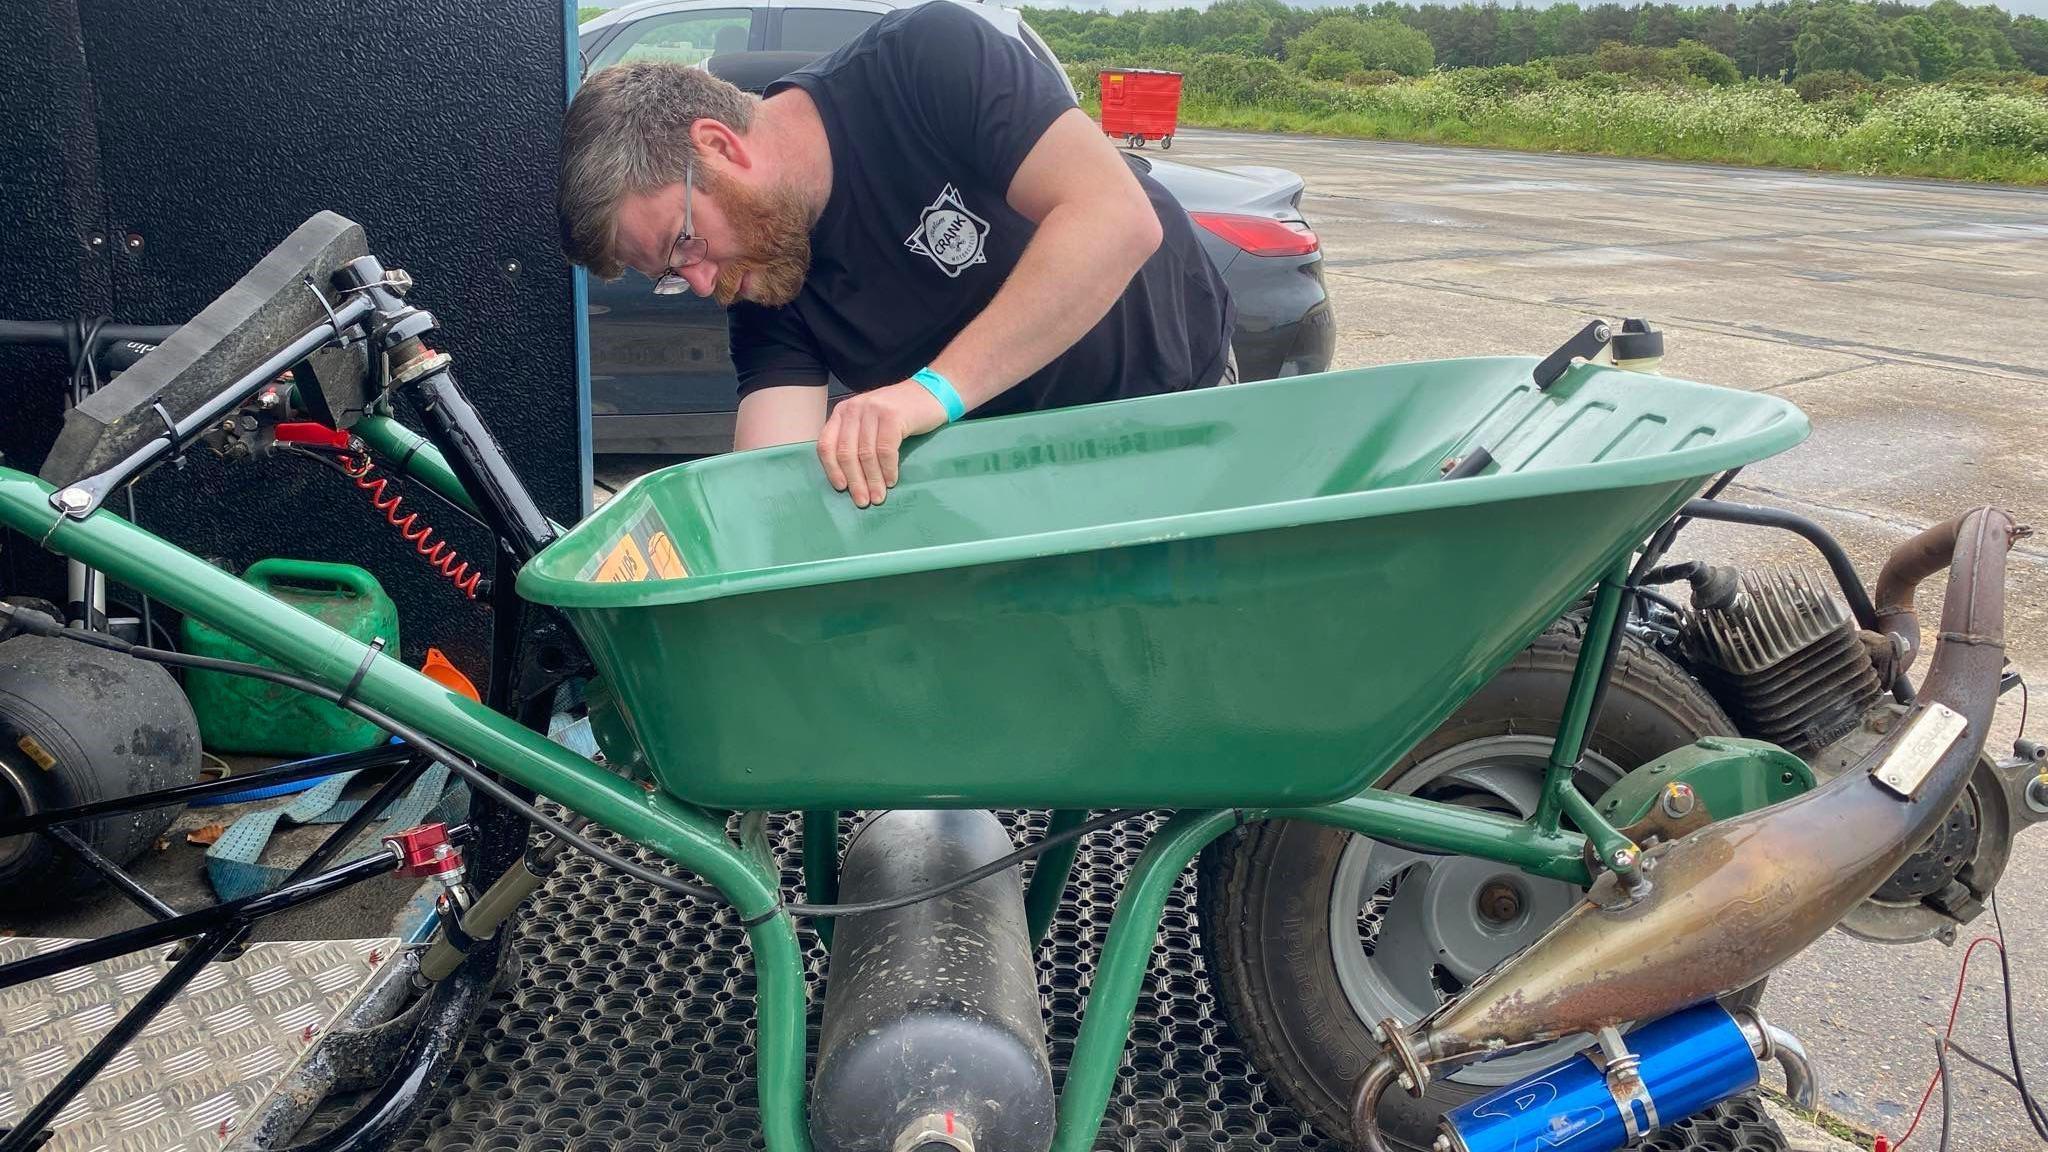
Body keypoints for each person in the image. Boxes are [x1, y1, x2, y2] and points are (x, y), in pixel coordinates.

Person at [557, 0, 1235, 507]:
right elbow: (774, 478)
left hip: (1175, 409)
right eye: (673, 276)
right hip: (1029, 477)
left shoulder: (926, 61)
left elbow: (1115, 219)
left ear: (720, 147)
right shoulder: (762, 271)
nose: (703, 284)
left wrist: (926, 395)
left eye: (684, 242)